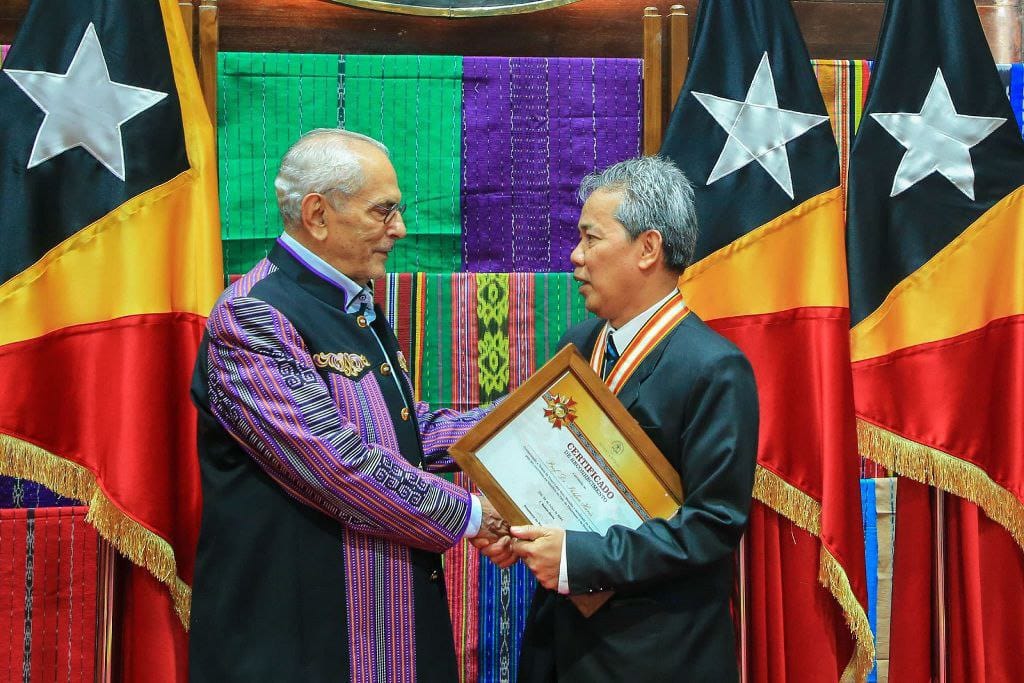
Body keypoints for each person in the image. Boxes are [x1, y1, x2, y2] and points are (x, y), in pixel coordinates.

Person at [189, 128, 505, 682]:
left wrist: (523, 422)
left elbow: (403, 429)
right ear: (317, 214)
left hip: (385, 625)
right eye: (383, 211)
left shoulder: (353, 303)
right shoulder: (253, 317)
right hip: (297, 638)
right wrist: (471, 516)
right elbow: (335, 462)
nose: (400, 229)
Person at [477, 156, 759, 681]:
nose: (575, 256)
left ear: (647, 248)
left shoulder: (715, 368)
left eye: (591, 238)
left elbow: (712, 526)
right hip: (558, 642)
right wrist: (513, 525)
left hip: (656, 653)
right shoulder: (577, 345)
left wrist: (576, 557)